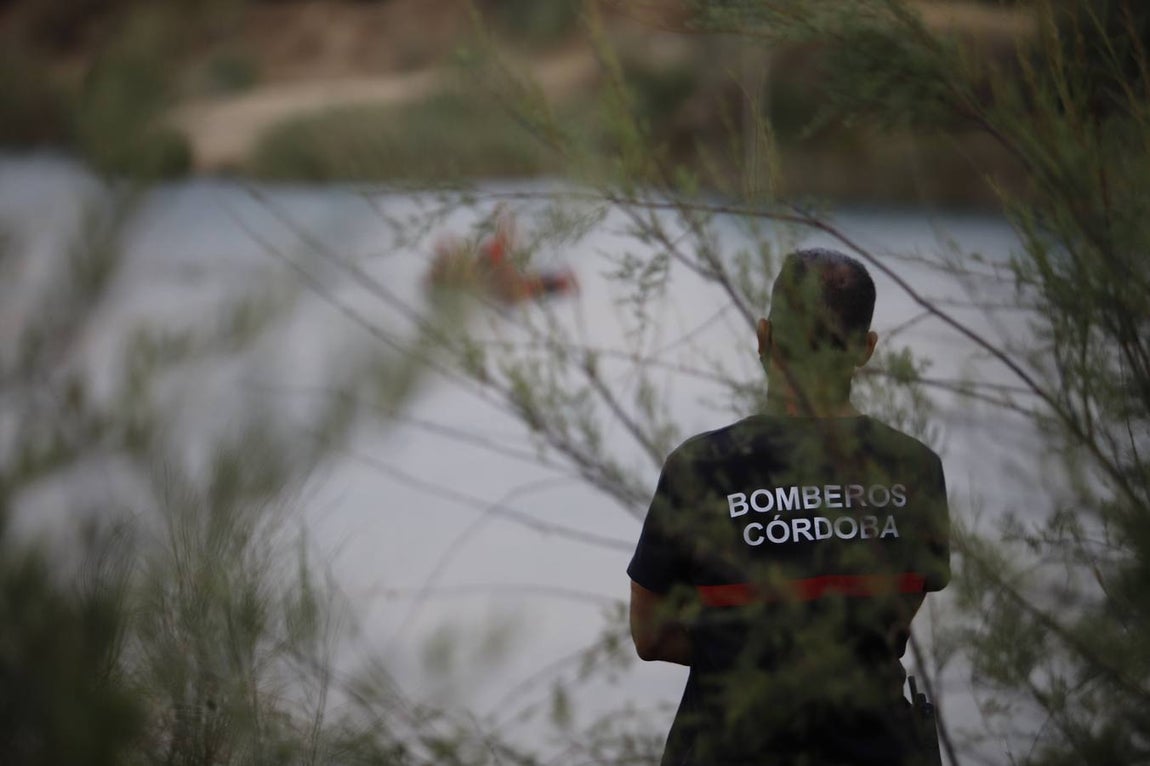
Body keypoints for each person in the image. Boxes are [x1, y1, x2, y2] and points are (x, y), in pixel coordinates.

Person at [627, 248, 950, 766]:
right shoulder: (916, 469)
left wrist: (749, 655)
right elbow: (898, 610)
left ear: (764, 338)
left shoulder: (700, 467)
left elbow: (650, 633)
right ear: (866, 349)